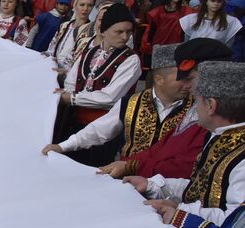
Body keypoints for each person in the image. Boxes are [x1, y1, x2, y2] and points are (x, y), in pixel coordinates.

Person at [99, 40, 234, 181]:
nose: (188, 86)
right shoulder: (198, 107)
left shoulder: (216, 115)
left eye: (191, 79)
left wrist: (132, 166)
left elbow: (186, 166)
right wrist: (128, 163)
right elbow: (161, 148)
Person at [44, 39, 195, 165]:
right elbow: (99, 131)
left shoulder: (195, 109)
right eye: (183, 79)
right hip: (128, 184)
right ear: (159, 79)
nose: (189, 85)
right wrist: (62, 147)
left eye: (191, 79)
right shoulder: (132, 103)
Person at [133, 60, 245, 227]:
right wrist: (152, 185)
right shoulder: (217, 137)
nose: (194, 107)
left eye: (197, 101)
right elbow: (198, 188)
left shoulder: (241, 156)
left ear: (210, 106)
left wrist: (181, 210)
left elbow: (237, 222)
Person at [52, 2, 141, 158]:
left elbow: (109, 98)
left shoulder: (131, 60)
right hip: (74, 124)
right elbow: (71, 81)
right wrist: (68, 93)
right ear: (103, 31)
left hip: (102, 132)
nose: (125, 37)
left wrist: (72, 98)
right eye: (119, 31)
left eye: (128, 32)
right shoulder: (90, 51)